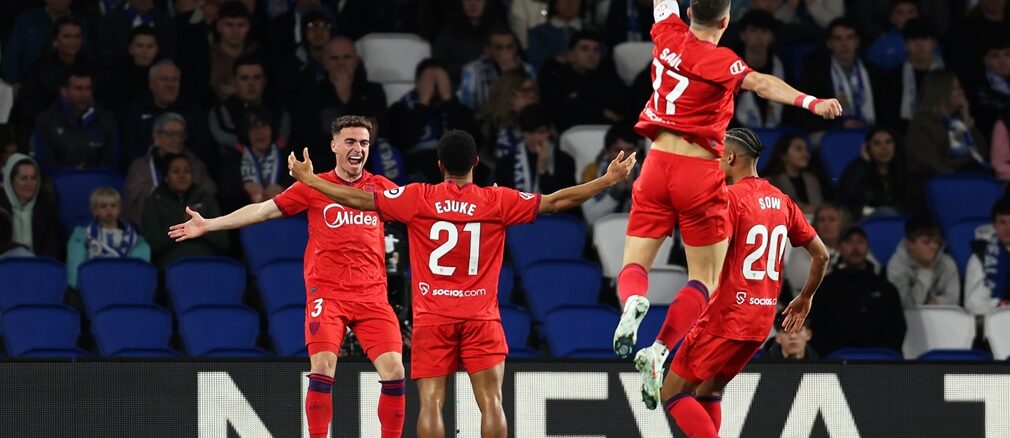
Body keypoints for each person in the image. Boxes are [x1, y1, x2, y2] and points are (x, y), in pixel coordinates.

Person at [285, 129, 636, 438]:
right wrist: (607, 180)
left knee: (431, 404)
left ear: (439, 165)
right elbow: (557, 201)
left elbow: (360, 199)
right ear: (476, 163)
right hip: (481, 317)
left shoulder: (418, 197)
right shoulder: (498, 200)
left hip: (432, 318)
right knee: (492, 402)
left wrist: (312, 181)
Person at [610, 0, 840, 379]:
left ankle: (633, 300)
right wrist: (811, 102)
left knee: (634, 263)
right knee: (703, 278)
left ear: (689, 13)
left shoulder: (666, 33)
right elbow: (762, 84)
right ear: (726, 21)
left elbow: (662, 4)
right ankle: (660, 350)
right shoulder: (721, 60)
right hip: (698, 171)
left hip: (656, 164)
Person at [167, 115, 406, 438]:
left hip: (373, 296)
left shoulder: (381, 189)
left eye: (364, 143)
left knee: (395, 370)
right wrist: (209, 224)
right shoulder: (313, 187)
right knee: (323, 366)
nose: (358, 149)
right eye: (350, 141)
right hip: (328, 296)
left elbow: (418, 214)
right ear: (334, 146)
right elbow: (262, 211)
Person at [650, 128, 828, 436]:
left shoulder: (730, 200)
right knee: (709, 389)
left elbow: (710, 254)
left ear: (730, 157)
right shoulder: (783, 201)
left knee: (672, 393)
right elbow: (821, 255)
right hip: (760, 321)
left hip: (726, 317)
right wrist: (805, 297)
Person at [809, 226, 906, 357]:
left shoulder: (886, 288)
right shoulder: (825, 287)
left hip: (879, 360)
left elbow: (897, 328)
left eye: (860, 241)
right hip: (836, 361)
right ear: (840, 247)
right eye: (849, 242)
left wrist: (882, 356)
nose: (855, 247)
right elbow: (816, 329)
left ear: (867, 247)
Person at [124, 112, 217, 224]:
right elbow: (133, 201)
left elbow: (209, 191)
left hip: (190, 223)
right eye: (170, 134)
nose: (176, 139)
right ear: (156, 136)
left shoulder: (195, 164)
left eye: (181, 135)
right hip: (152, 225)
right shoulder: (140, 167)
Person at [142, 153, 227, 268]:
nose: (182, 176)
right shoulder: (154, 202)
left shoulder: (205, 198)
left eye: (187, 171)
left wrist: (202, 228)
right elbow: (152, 244)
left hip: (206, 263)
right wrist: (182, 225)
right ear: (166, 177)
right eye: (176, 172)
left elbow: (223, 241)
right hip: (170, 266)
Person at [906, 70, 990, 179]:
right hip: (943, 181)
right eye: (955, 88)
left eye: (960, 87)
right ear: (940, 93)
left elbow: (981, 152)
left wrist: (966, 118)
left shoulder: (958, 119)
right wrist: (958, 179)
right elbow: (933, 164)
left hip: (970, 175)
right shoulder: (921, 123)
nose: (962, 92)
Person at [66, 187, 151, 289]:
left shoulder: (131, 236)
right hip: (94, 282)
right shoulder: (86, 235)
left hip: (123, 283)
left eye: (113, 205)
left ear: (120, 209)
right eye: (103, 206)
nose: (109, 209)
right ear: (95, 211)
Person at [886, 216, 960, 309]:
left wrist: (938, 302)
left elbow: (954, 299)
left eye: (936, 241)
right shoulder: (896, 266)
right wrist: (926, 270)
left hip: (940, 315)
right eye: (926, 242)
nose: (934, 247)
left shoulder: (947, 263)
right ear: (909, 244)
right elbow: (906, 306)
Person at [839, 127, 910, 218]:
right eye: (877, 143)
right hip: (865, 220)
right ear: (867, 147)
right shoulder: (859, 169)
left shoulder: (904, 171)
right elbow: (847, 191)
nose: (884, 148)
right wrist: (863, 162)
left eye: (888, 142)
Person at [0, 153, 61, 259]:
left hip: (37, 264)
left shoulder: (46, 207)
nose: (30, 183)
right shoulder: (1, 208)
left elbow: (53, 246)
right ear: (11, 181)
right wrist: (19, 250)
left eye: (33, 178)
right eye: (24, 178)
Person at [580, 122, 642, 222]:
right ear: (607, 152)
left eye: (629, 150)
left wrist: (633, 192)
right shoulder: (592, 171)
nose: (624, 157)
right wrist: (615, 194)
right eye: (617, 150)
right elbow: (590, 218)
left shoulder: (645, 172)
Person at [964, 197, 1010, 316]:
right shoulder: (981, 257)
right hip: (995, 319)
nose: (1008, 228)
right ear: (994, 225)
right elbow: (973, 305)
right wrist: (1001, 305)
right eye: (1002, 222)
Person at [762, 134, 823, 215]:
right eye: (799, 149)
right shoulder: (770, 182)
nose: (805, 154)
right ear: (784, 155)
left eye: (806, 149)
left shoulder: (813, 179)